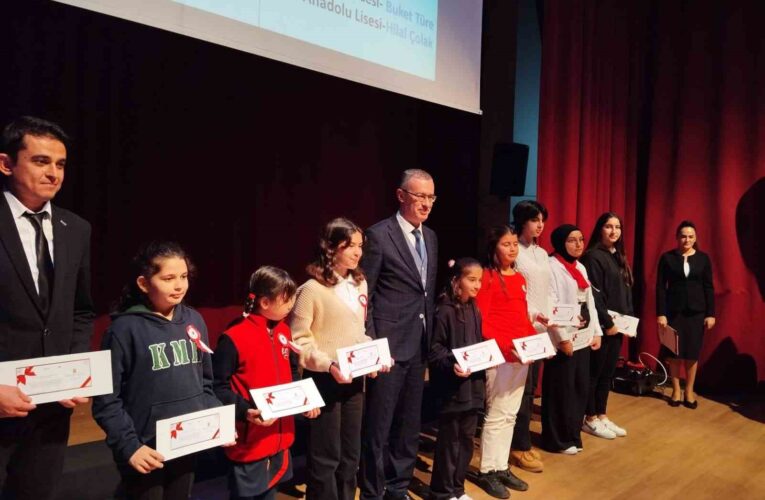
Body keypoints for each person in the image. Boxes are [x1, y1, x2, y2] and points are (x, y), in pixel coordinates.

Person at [0, 116, 95, 499]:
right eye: (41, 161)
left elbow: (81, 311)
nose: (53, 173)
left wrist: (74, 370)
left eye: (60, 164)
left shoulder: (77, 228)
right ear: (7, 164)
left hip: (52, 410)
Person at [92, 241, 221, 499]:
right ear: (143, 283)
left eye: (184, 276)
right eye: (169, 278)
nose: (179, 285)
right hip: (145, 447)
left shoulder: (194, 320)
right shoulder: (122, 330)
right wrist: (129, 447)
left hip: (187, 441)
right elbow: (106, 401)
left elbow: (205, 385)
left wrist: (217, 423)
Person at [289, 217, 389, 500]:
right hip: (324, 379)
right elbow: (300, 342)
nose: (358, 252)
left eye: (360, 246)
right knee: (326, 456)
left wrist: (374, 356)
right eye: (350, 246)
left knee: (350, 454)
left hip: (354, 380)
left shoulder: (359, 283)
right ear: (331, 248)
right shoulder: (311, 289)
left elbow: (358, 333)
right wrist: (329, 365)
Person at [359, 169, 438, 500]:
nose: (426, 204)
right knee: (379, 426)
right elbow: (367, 296)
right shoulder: (378, 236)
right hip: (388, 349)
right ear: (401, 195)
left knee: (408, 425)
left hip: (418, 345)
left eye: (431, 197)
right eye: (420, 196)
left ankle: (398, 487)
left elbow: (425, 294)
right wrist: (374, 348)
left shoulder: (431, 237)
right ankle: (373, 491)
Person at [213, 266, 320, 500]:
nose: (292, 305)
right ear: (264, 302)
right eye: (287, 299)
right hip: (250, 440)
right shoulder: (234, 337)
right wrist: (245, 411)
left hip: (280, 439)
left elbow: (292, 373)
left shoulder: (284, 331)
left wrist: (304, 401)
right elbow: (217, 387)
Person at [474, 225, 546, 499]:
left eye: (515, 243)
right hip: (502, 355)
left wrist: (538, 346)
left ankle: (501, 465)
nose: (513, 248)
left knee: (511, 414)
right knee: (496, 412)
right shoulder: (488, 277)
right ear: (494, 248)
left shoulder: (517, 277)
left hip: (520, 355)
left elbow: (522, 319)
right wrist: (508, 347)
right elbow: (483, 321)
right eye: (506, 244)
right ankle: (487, 470)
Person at [428, 258, 485, 500]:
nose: (477, 285)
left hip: (473, 387)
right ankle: (442, 491)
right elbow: (435, 349)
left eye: (480, 280)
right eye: (471, 280)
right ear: (455, 281)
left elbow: (478, 344)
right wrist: (453, 364)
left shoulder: (474, 308)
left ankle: (457, 489)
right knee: (449, 441)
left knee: (466, 439)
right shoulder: (443, 310)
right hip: (452, 389)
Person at [542, 225, 602, 454]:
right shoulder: (552, 266)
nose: (578, 244)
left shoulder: (581, 267)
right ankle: (557, 439)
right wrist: (562, 338)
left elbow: (590, 303)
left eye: (581, 239)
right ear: (559, 242)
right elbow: (551, 303)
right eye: (571, 240)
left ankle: (572, 435)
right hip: (563, 337)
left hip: (583, 335)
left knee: (579, 388)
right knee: (561, 389)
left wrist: (596, 332)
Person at [580, 212, 633, 439]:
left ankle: (601, 414)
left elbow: (624, 292)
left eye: (617, 227)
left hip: (618, 325)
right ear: (600, 229)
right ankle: (589, 417)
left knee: (607, 373)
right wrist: (608, 322)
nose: (614, 231)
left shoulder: (616, 255)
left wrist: (628, 322)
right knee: (595, 372)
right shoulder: (593, 256)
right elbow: (594, 295)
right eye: (609, 226)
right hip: (602, 326)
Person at [509, 200, 552, 473]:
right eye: (535, 219)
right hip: (519, 328)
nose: (540, 225)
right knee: (518, 391)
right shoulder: (514, 250)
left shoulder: (541, 252)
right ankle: (518, 447)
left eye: (542, 220)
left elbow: (545, 291)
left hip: (540, 330)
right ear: (522, 220)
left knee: (530, 391)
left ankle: (522, 442)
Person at [656, 220, 715, 409]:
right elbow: (660, 288)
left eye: (690, 236)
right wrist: (661, 313)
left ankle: (689, 391)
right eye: (683, 236)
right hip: (674, 312)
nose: (686, 239)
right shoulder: (667, 258)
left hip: (697, 313)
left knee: (692, 353)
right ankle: (675, 389)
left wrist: (711, 313)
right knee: (674, 353)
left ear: (695, 238)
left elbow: (709, 287)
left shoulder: (704, 259)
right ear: (677, 237)